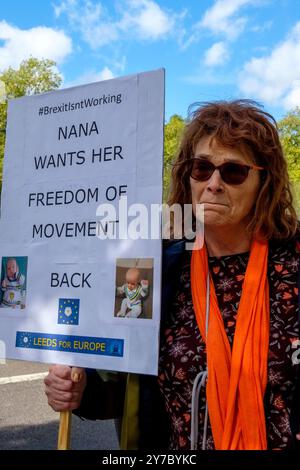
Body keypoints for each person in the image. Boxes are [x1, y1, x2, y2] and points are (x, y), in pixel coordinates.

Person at [44, 100, 300, 450]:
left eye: (234, 171)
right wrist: (81, 387)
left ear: (263, 182)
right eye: (201, 168)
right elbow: (122, 382)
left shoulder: (293, 264)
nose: (213, 183)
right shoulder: (156, 268)